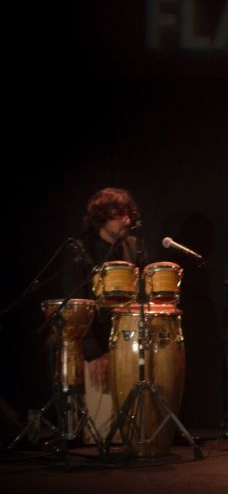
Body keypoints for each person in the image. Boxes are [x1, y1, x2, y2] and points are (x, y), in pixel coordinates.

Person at [62, 187, 143, 439]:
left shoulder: (134, 247)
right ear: (101, 217)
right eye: (119, 215)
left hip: (127, 338)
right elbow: (74, 306)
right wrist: (95, 352)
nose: (127, 220)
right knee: (105, 433)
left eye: (129, 214)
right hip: (92, 338)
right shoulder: (80, 250)